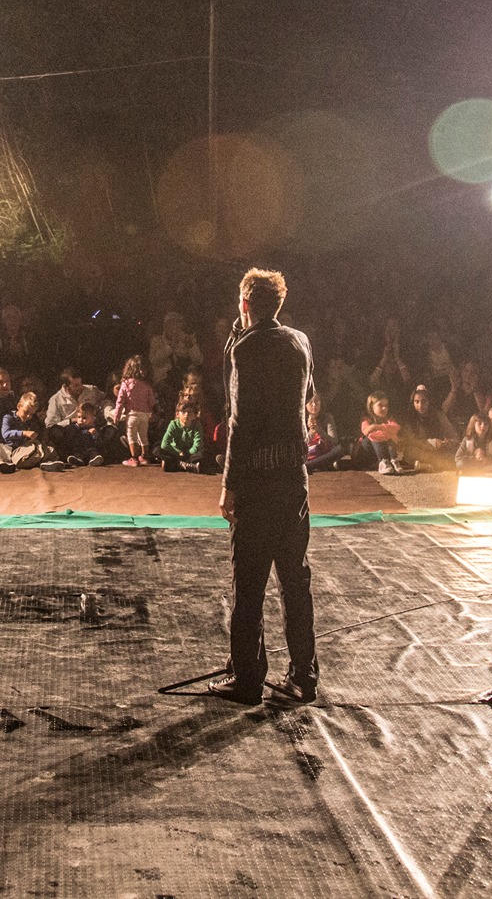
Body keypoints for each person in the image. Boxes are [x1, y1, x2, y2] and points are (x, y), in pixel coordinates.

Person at [212, 268, 317, 707]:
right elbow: (309, 394)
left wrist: (229, 486)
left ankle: (248, 678)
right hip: (294, 479)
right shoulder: (300, 341)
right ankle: (303, 677)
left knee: (248, 584)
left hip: (257, 482)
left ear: (244, 303)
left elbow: (240, 423)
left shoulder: (244, 349)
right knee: (296, 581)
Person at [0, 392, 44, 473]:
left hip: (21, 451)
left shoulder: (31, 421)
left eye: (31, 414)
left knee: (42, 448)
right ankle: (0, 463)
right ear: (19, 406)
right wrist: (23, 433)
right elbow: (6, 434)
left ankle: (45, 462)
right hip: (5, 450)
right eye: (26, 412)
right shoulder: (8, 417)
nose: (28, 416)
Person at [112, 356, 156, 467]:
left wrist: (116, 415)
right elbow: (152, 401)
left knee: (132, 436)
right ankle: (145, 457)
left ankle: (134, 458)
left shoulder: (126, 384)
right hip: (144, 415)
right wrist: (151, 412)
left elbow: (120, 401)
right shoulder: (146, 386)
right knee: (143, 436)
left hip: (132, 415)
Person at [159, 398, 217, 473]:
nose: (186, 415)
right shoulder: (173, 424)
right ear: (177, 414)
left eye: (190, 412)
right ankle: (188, 466)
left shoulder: (197, 425)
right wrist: (178, 452)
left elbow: (197, 444)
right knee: (158, 450)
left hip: (191, 454)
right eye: (183, 412)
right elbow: (164, 444)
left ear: (195, 415)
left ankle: (178, 465)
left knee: (204, 453)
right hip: (176, 452)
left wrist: (188, 453)